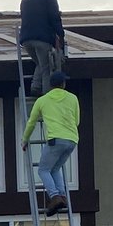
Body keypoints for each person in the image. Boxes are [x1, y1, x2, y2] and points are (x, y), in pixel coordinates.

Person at [20, 70, 80, 216]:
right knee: (55, 169)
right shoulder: (73, 98)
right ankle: (62, 196)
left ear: (51, 85)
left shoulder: (43, 100)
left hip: (55, 139)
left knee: (43, 170)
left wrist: (25, 140)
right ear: (63, 84)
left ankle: (54, 196)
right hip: (72, 140)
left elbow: (31, 122)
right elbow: (77, 120)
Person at [19, 0, 65, 97]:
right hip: (42, 39)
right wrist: (61, 36)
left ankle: (35, 86)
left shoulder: (25, 0)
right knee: (47, 68)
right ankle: (46, 96)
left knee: (40, 63)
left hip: (26, 40)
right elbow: (54, 17)